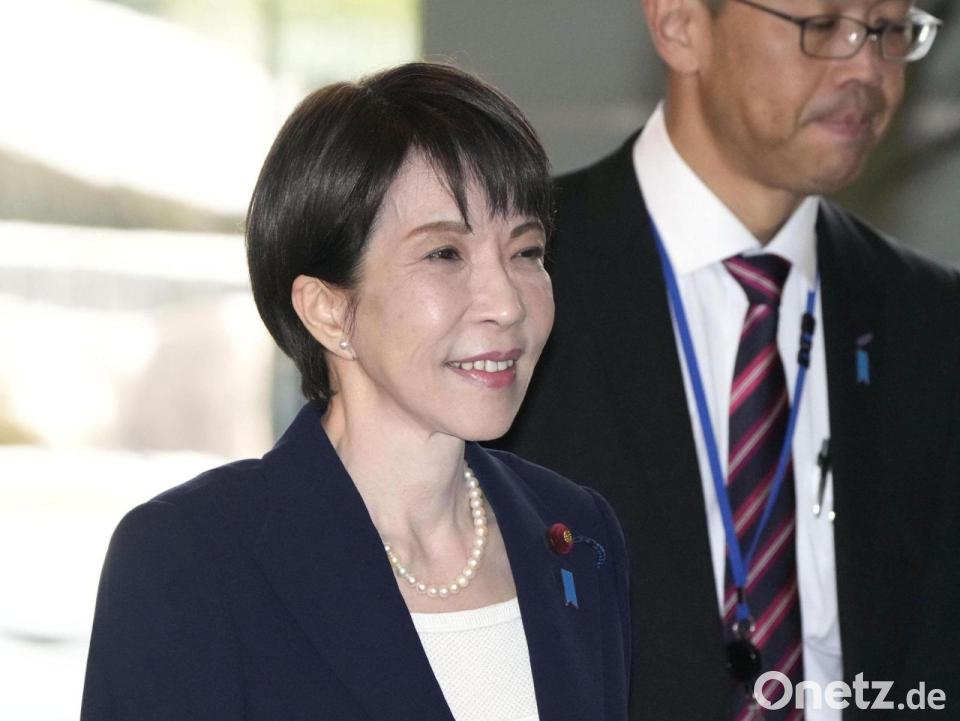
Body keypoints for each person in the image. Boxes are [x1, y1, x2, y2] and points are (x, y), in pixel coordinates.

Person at [80, 62, 630, 721]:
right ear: (328, 310)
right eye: (445, 254)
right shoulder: (191, 561)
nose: (507, 304)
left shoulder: (575, 532)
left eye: (527, 251)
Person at [498, 2, 960, 719]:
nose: (867, 68)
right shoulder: (510, 290)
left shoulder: (931, 322)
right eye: (823, 25)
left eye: (889, 29)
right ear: (681, 24)